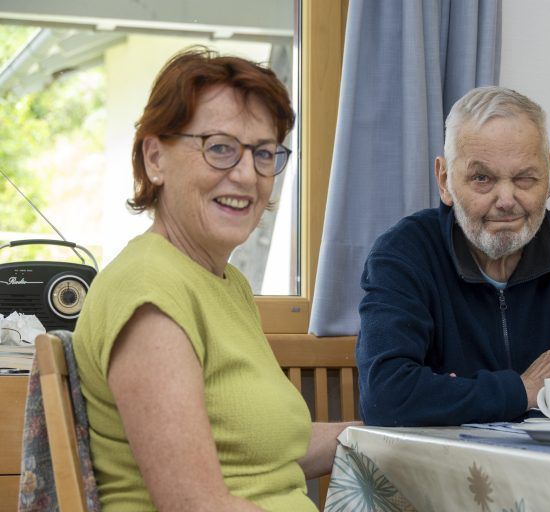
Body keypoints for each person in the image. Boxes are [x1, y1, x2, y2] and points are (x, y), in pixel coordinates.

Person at [74, 47, 353, 512]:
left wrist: (382, 436)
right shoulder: (149, 290)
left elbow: (263, 451)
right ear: (155, 158)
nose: (246, 175)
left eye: (263, 153)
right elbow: (195, 504)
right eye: (220, 147)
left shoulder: (225, 283)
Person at [356, 86, 550, 427]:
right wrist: (523, 390)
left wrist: (538, 396)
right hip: (448, 460)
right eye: (482, 178)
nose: (506, 200)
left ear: (549, 173)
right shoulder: (404, 254)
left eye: (525, 178)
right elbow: (386, 396)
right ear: (445, 180)